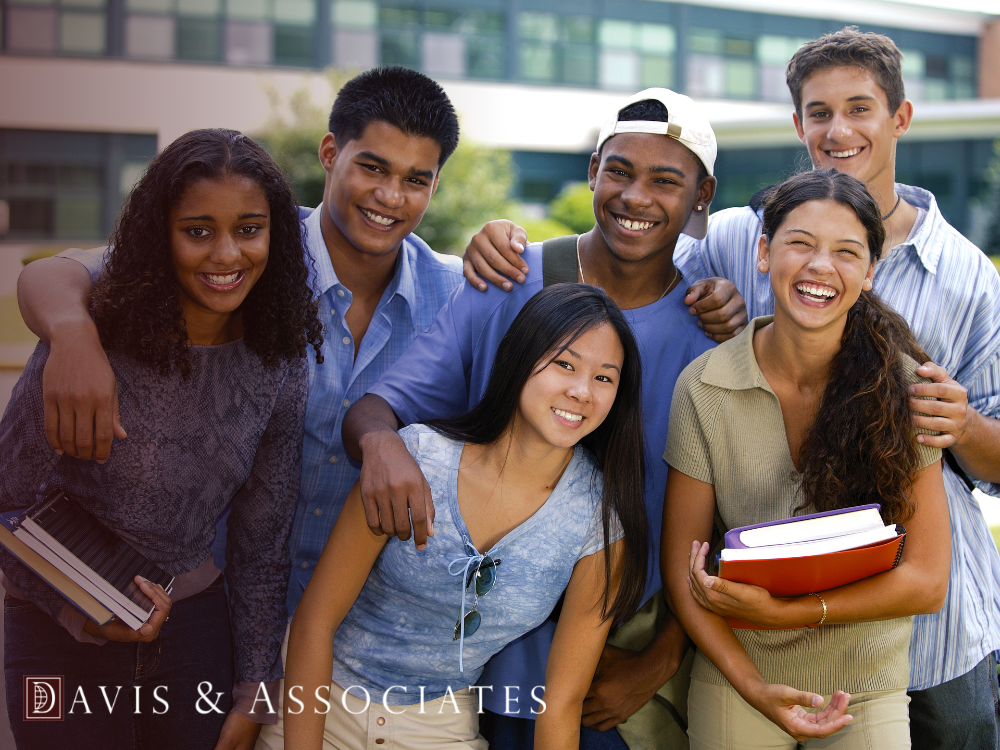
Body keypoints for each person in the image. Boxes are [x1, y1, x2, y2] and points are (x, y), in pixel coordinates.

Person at [341, 88, 738, 749]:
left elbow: (735, 520)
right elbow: (381, 407)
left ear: (702, 196)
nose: (635, 197)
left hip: (629, 657)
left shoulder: (711, 331)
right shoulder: (512, 276)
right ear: (592, 173)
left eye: (665, 181)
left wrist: (662, 657)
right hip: (490, 660)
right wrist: (380, 443)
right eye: (619, 171)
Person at [15, 66, 467, 613]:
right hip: (213, 608)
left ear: (436, 185)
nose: (390, 196)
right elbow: (59, 274)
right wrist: (72, 338)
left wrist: (504, 236)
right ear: (330, 153)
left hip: (353, 629)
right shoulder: (247, 248)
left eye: (415, 180)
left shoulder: (456, 297)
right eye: (372, 167)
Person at [665, 28, 1000, 748]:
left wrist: (961, 425)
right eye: (819, 113)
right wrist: (513, 247)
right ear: (798, 125)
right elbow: (637, 262)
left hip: (929, 624)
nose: (838, 129)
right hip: (764, 609)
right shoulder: (739, 237)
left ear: (900, 118)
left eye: (859, 108)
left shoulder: (969, 275)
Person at [0, 129, 323, 749]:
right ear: (161, 233)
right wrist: (82, 612)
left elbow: (261, 545)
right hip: (55, 632)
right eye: (198, 230)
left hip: (193, 638)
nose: (226, 254)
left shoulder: (277, 362)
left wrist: (256, 693)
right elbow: (6, 499)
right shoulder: (92, 338)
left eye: (249, 229)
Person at [260, 284, 649, 750]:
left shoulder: (599, 521)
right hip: (317, 703)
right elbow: (313, 623)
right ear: (520, 359)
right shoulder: (418, 459)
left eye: (605, 378)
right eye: (564, 364)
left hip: (439, 725)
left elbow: (562, 703)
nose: (582, 392)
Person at [663, 168, 950, 748]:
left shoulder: (905, 388)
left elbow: (927, 582)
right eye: (800, 243)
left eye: (846, 252)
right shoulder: (704, 386)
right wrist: (753, 685)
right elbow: (681, 570)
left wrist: (788, 612)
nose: (821, 266)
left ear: (870, 272)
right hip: (739, 673)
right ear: (765, 252)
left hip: (866, 681)